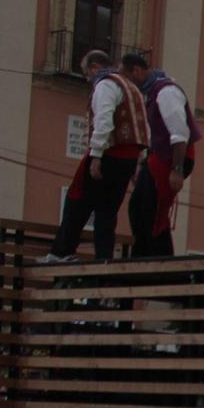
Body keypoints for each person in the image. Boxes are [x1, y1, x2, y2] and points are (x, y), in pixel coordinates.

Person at [44, 49, 147, 262]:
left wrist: (96, 155)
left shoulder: (106, 84)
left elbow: (104, 120)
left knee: (77, 198)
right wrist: (138, 162)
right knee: (107, 211)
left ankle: (62, 251)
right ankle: (103, 259)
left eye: (86, 73)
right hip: (129, 157)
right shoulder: (132, 88)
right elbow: (141, 127)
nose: (86, 78)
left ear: (95, 67)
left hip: (109, 153)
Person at [124, 53, 199, 259]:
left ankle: (155, 263)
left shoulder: (166, 91)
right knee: (138, 208)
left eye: (128, 79)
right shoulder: (152, 93)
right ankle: (144, 258)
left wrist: (177, 169)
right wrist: (141, 163)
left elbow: (179, 132)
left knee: (153, 213)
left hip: (172, 158)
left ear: (137, 71)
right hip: (159, 157)